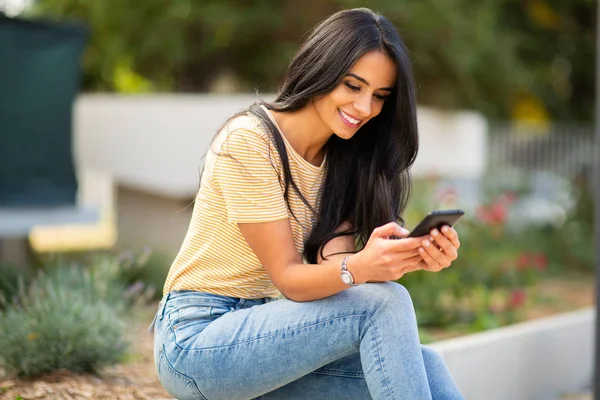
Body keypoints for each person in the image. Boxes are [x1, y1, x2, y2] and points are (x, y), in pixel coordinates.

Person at [150, 7, 464, 400]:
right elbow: (289, 277)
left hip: (265, 337)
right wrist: (363, 266)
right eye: (353, 86)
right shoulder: (250, 140)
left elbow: (337, 273)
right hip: (196, 342)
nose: (365, 108)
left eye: (380, 96)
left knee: (427, 364)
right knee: (385, 302)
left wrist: (404, 255)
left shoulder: (344, 161)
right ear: (323, 69)